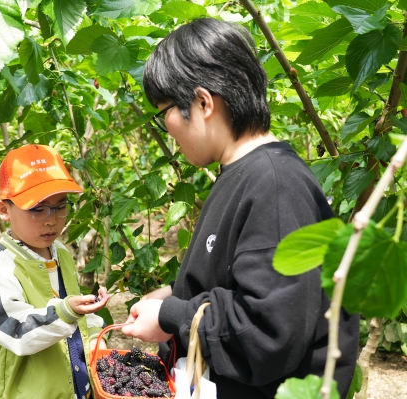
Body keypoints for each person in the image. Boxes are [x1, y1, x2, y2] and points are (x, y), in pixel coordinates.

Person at [121, 18, 360, 399]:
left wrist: (172, 317)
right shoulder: (242, 175)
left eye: (163, 110)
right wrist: (172, 294)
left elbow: (268, 330)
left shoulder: (276, 186)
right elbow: (241, 276)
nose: (165, 126)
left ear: (202, 102)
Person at [0, 144, 111, 399]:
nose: (51, 219)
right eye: (37, 209)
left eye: (60, 206)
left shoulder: (60, 253)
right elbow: (15, 332)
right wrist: (67, 310)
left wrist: (94, 338)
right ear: (4, 209)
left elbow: (75, 313)